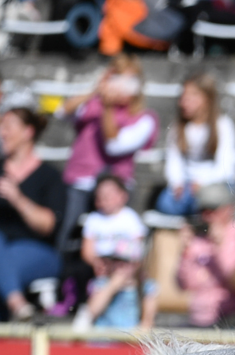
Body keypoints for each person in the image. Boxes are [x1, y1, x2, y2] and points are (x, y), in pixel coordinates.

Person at [58, 57, 158, 250]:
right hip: (79, 183)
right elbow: (61, 112)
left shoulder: (145, 118)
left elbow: (113, 146)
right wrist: (95, 90)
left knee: (115, 247)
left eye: (129, 80)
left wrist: (107, 108)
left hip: (116, 190)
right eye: (117, 78)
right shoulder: (92, 105)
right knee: (69, 239)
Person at [0, 104, 65, 322]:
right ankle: (17, 304)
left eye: (7, 125)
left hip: (38, 252)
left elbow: (48, 225)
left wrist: (17, 199)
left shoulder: (50, 176)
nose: (2, 132)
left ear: (28, 131)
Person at [156, 70, 235, 218]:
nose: (183, 102)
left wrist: (201, 183)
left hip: (215, 182)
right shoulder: (177, 128)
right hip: (188, 185)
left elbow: (226, 167)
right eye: (182, 96)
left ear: (207, 98)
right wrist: (177, 183)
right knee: (165, 203)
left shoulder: (223, 125)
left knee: (210, 198)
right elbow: (173, 162)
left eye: (191, 96)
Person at [172, 180, 235, 326]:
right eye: (203, 210)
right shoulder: (198, 237)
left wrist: (219, 246)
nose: (207, 216)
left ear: (228, 209)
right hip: (198, 318)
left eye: (212, 210)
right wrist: (185, 252)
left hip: (230, 317)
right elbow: (184, 285)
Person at [76, 174, 145, 331]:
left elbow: (138, 248)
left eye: (109, 193)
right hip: (102, 272)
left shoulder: (130, 218)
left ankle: (86, 317)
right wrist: (96, 262)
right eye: (100, 195)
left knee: (124, 280)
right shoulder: (94, 219)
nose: (104, 198)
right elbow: (87, 251)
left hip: (126, 271)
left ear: (123, 196)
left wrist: (125, 264)